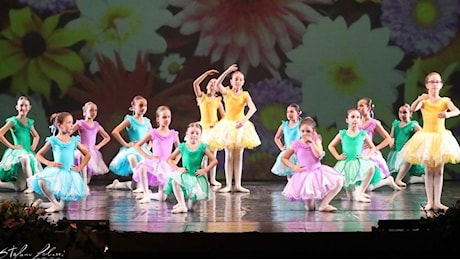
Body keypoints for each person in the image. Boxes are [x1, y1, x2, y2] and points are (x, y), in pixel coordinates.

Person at [400, 71, 460, 212]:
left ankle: (437, 202)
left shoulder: (445, 101)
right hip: (426, 137)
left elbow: (457, 111)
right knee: (428, 171)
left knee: (438, 171)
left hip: (441, 138)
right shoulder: (424, 101)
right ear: (427, 85)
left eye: (437, 82)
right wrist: (419, 98)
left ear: (441, 85)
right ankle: (429, 202)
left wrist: (447, 114)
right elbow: (413, 109)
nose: (434, 85)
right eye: (432, 82)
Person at [207, 64, 261, 193]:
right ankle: (228, 185)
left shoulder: (245, 95)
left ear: (243, 82)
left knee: (239, 156)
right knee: (229, 156)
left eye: (240, 79)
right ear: (231, 81)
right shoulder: (227, 92)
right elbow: (217, 84)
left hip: (241, 126)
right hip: (227, 126)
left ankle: (238, 184)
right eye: (236, 79)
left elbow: (253, 108)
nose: (238, 82)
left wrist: (244, 120)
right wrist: (227, 71)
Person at [29, 112, 90, 213]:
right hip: (57, 172)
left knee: (63, 206)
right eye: (69, 122)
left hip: (70, 175)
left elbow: (87, 155)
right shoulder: (53, 140)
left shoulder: (73, 140)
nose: (72, 125)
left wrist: (80, 167)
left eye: (72, 122)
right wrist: (50, 163)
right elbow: (38, 155)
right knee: (41, 181)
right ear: (59, 125)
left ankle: (40, 203)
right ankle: (53, 203)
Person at [281, 117, 344, 212]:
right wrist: (294, 167)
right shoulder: (296, 144)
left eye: (308, 131)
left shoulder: (316, 140)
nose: (305, 134)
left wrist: (312, 143)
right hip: (304, 175)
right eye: (302, 131)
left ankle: (324, 204)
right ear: (299, 131)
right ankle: (311, 205)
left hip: (317, 172)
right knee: (310, 207)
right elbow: (284, 158)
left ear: (313, 131)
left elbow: (319, 155)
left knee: (338, 181)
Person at [164, 122, 218, 213]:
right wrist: (177, 168)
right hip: (185, 175)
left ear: (200, 135)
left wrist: (205, 170)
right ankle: (181, 204)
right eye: (192, 133)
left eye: (197, 133)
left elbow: (214, 160)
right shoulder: (183, 147)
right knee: (174, 181)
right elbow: (169, 159)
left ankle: (184, 203)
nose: (194, 135)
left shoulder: (202, 147)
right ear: (187, 134)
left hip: (196, 177)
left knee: (191, 208)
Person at [328, 108, 377, 203]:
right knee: (350, 197)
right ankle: (354, 194)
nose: (355, 119)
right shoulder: (342, 134)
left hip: (358, 162)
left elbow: (372, 147)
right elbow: (331, 146)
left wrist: (367, 156)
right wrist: (337, 156)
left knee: (371, 167)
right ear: (347, 120)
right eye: (353, 117)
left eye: (358, 117)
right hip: (346, 163)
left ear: (360, 120)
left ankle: (360, 193)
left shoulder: (363, 134)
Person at [132, 105, 180, 203]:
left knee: (162, 198)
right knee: (142, 167)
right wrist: (147, 156)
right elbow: (138, 145)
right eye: (164, 117)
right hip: (155, 162)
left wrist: (176, 161)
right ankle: (146, 195)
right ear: (158, 119)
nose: (166, 119)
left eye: (168, 117)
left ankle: (150, 194)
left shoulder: (173, 134)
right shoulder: (153, 132)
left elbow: (180, 149)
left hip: (166, 164)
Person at [106, 96, 152, 191]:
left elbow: (152, 136)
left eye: (145, 106)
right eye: (141, 105)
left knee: (133, 186)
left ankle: (117, 185)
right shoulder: (130, 120)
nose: (143, 108)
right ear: (133, 106)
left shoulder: (147, 121)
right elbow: (115, 132)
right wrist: (126, 144)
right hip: (134, 149)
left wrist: (149, 147)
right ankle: (141, 186)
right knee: (132, 157)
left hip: (143, 150)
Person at [357, 97, 401, 192]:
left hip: (368, 153)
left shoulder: (373, 123)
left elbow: (388, 138)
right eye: (358, 106)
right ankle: (387, 181)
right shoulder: (356, 122)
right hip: (357, 152)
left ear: (369, 108)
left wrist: (375, 148)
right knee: (359, 186)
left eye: (361, 106)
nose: (359, 108)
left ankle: (388, 181)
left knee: (367, 188)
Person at [0, 96, 43, 193]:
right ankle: (31, 186)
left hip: (27, 151)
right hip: (18, 153)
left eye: (25, 105)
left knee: (19, 187)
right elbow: (0, 133)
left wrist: (33, 146)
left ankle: (21, 185)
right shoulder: (13, 121)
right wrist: (12, 146)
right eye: (21, 105)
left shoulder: (29, 122)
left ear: (29, 107)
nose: (23, 108)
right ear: (17, 107)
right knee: (25, 158)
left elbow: (36, 136)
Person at [193, 69, 225, 187]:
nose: (212, 84)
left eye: (215, 83)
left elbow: (224, 117)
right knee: (203, 156)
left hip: (214, 129)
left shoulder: (218, 101)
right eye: (210, 82)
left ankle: (212, 179)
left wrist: (216, 125)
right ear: (206, 86)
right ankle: (203, 178)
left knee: (213, 156)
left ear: (217, 88)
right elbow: (195, 84)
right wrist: (206, 74)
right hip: (203, 129)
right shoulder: (202, 97)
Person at [72, 101, 111, 186]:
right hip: (82, 151)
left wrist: (98, 146)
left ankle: (83, 186)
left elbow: (107, 137)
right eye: (91, 110)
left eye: (95, 110)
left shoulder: (96, 125)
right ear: (84, 112)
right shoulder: (81, 123)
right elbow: (69, 132)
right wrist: (75, 142)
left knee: (88, 175)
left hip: (92, 152)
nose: (94, 112)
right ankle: (81, 186)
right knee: (83, 171)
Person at [386, 104, 425, 188]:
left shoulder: (412, 125)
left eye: (405, 112)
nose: (402, 115)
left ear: (410, 113)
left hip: (406, 152)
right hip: (397, 151)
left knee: (406, 166)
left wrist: (411, 142)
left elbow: (422, 134)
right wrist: (391, 141)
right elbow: (392, 136)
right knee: (397, 174)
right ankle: (412, 179)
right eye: (400, 112)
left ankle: (405, 179)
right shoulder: (396, 124)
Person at [271, 103, 302, 181]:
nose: (289, 114)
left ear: (298, 113)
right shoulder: (284, 125)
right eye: (288, 112)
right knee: (290, 175)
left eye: (292, 112)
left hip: (299, 152)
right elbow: (277, 138)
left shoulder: (301, 125)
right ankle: (291, 190)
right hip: (289, 152)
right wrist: (281, 147)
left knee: (299, 174)